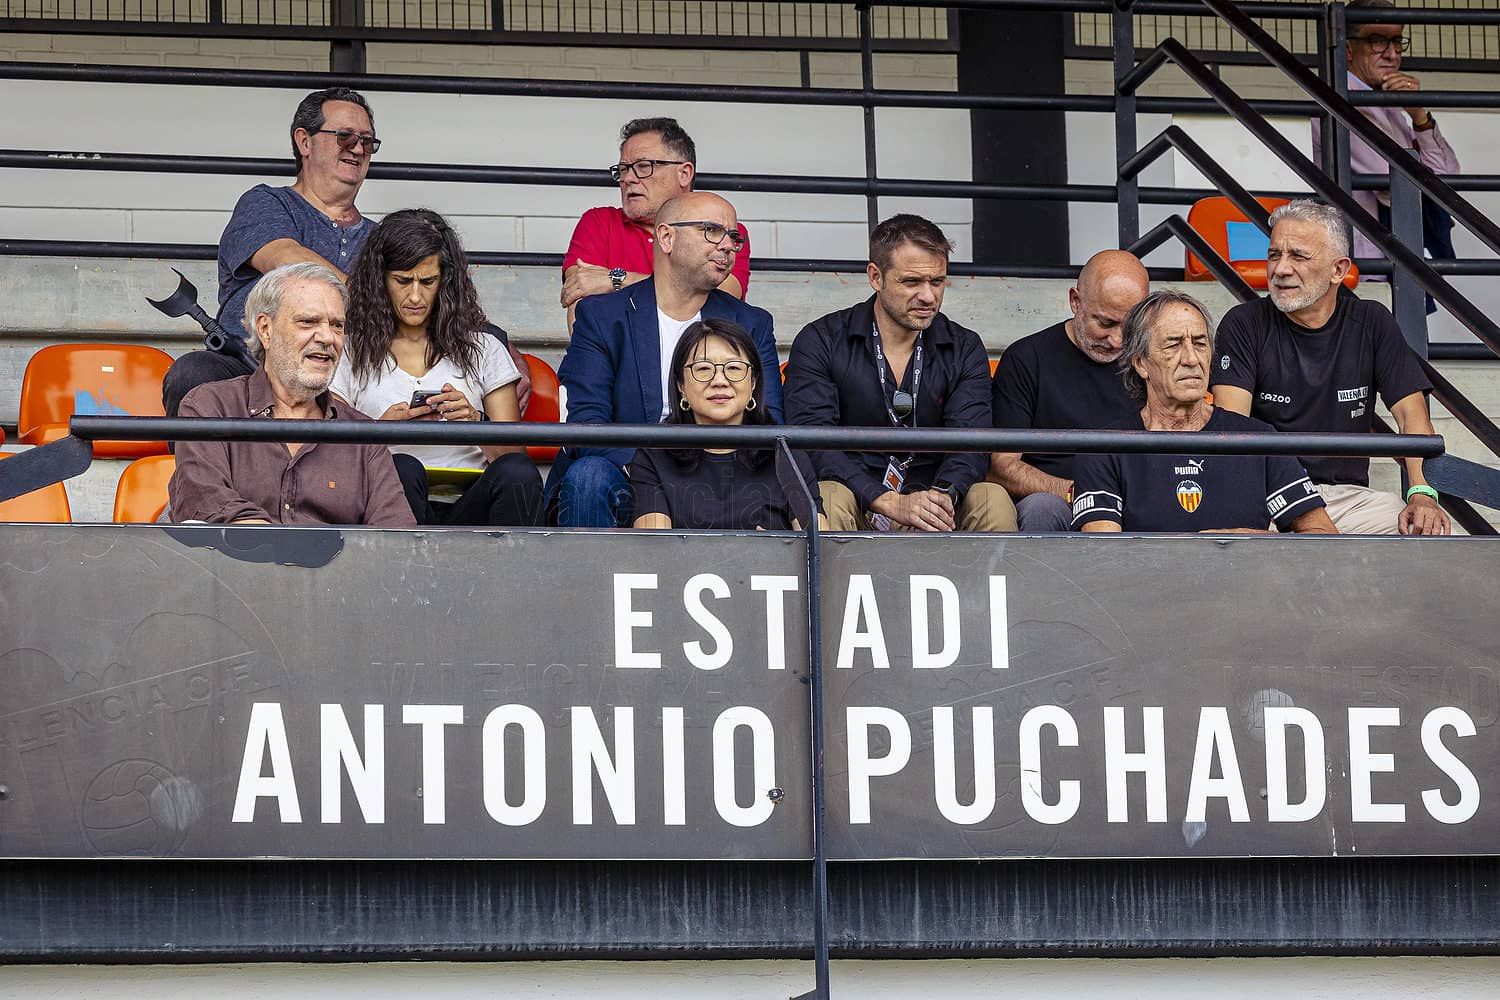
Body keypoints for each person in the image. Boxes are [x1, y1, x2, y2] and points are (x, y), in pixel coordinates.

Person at [1209, 199, 1449, 535]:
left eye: (1298, 256)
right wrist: (1297, 508)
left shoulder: (1372, 321)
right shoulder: (1244, 323)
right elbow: (1233, 431)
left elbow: (1412, 416)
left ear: (1338, 270)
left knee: (1424, 534)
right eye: (1274, 254)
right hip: (1268, 496)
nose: (1280, 269)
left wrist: (1422, 493)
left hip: (1348, 499)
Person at [551, 192, 782, 528]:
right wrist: (655, 474)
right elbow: (588, 426)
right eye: (712, 231)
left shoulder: (751, 322)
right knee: (588, 476)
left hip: (720, 483)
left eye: (734, 237)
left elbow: (769, 421)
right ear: (666, 237)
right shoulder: (602, 316)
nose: (729, 246)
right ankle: (586, 580)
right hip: (627, 474)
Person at [785, 214, 1016, 532]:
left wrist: (941, 498)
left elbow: (972, 445)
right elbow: (813, 441)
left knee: (991, 498)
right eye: (911, 282)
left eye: (937, 282)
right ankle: (834, 584)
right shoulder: (822, 340)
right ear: (875, 277)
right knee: (828, 495)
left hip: (934, 497)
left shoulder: (964, 346)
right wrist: (886, 500)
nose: (928, 296)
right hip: (858, 497)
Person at [163, 88, 380, 418]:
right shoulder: (265, 204)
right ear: (304, 142)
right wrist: (369, 303)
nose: (358, 147)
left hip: (340, 373)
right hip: (250, 369)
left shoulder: (381, 239)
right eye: (344, 136)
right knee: (193, 374)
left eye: (367, 141)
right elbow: (285, 259)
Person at [331, 209, 542, 527]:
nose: (415, 296)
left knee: (518, 473)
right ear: (380, 280)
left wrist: (474, 421)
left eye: (427, 281)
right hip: (386, 495)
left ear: (445, 282)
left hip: (471, 501)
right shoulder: (349, 351)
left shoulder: (484, 348)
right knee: (404, 468)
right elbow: (329, 458)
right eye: (402, 281)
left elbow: (514, 460)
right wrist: (378, 430)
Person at [168, 262, 415, 527]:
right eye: (308, 322)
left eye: (337, 326)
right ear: (265, 329)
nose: (327, 337)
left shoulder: (365, 437)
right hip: (235, 564)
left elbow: (395, 539)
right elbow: (202, 504)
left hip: (336, 567)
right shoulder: (209, 408)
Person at [1072, 290, 1337, 535]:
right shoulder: (1106, 448)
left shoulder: (1258, 439)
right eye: (1173, 345)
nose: (1191, 359)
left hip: (1245, 583)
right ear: (1141, 363)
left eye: (1200, 344)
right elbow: (1104, 557)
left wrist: (1253, 543)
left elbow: (1322, 538)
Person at [989, 249, 1149, 531]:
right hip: (1059, 500)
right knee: (1041, 509)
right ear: (1076, 301)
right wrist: (1085, 495)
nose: (1117, 340)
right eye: (1105, 323)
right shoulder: (1027, 359)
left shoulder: (1149, 362)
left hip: (1135, 496)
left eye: (1130, 326)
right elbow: (1002, 466)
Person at [561, 117, 753, 331]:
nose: (628, 179)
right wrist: (683, 291)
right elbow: (581, 303)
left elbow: (720, 301)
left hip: (698, 360)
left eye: (643, 166)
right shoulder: (598, 223)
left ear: (684, 174)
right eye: (623, 169)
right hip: (618, 361)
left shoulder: (724, 229)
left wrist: (617, 280)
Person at [630, 318, 820, 531]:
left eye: (734, 368)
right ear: (680, 385)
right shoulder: (654, 455)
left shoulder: (787, 455)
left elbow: (820, 552)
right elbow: (655, 552)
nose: (719, 380)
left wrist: (777, 554)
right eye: (702, 369)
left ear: (753, 382)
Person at [1312, 0, 1460, 265]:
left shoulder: (1387, 99)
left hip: (1397, 252)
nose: (1392, 54)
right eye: (1378, 41)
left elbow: (1448, 179)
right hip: (1366, 260)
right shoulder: (1340, 100)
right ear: (1347, 49)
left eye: (1397, 41)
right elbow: (1394, 187)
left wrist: (1419, 117)